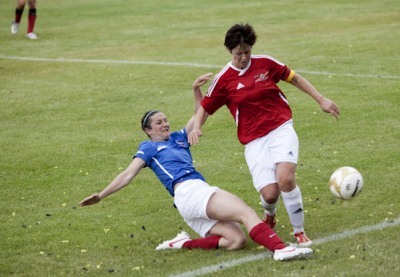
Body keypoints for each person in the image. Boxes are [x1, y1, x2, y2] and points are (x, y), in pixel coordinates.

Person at [79, 73, 313, 261]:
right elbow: (127, 175)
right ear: (148, 131)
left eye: (165, 120)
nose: (165, 124)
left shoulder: (180, 137)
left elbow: (200, 114)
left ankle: (182, 243)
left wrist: (195, 90)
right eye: (158, 123)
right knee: (246, 212)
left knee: (236, 241)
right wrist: (101, 195)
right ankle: (281, 249)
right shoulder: (148, 148)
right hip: (189, 192)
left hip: (189, 201)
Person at [188, 23, 340, 247]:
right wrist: (197, 127)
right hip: (253, 140)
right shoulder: (224, 79)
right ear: (230, 51)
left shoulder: (265, 63)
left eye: (247, 51)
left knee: (286, 179)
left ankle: (299, 232)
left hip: (280, 128)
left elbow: (295, 78)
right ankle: (270, 215)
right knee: (270, 195)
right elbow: (206, 107)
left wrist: (321, 99)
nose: (243, 57)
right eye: (238, 53)